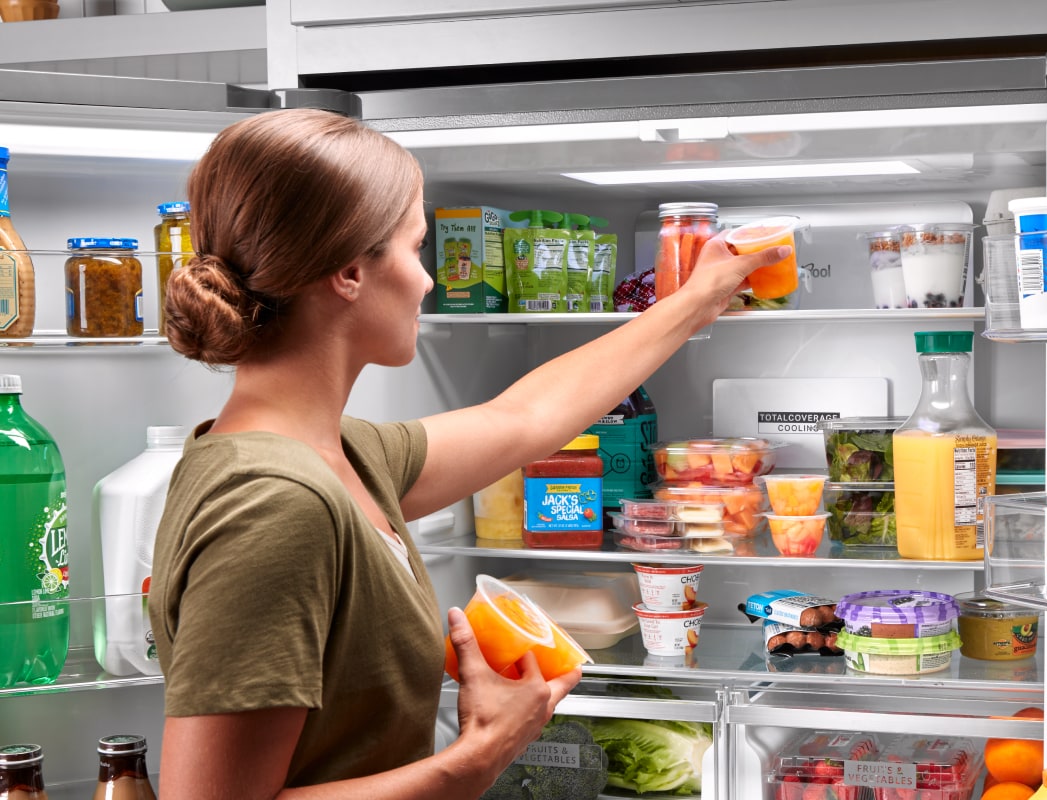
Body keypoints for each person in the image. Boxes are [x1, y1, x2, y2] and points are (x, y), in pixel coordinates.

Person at [147, 108, 789, 798]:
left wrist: (698, 299)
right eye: (414, 249)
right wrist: (479, 756)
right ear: (347, 273)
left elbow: (525, 419)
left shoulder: (340, 455)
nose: (427, 281)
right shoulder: (274, 505)